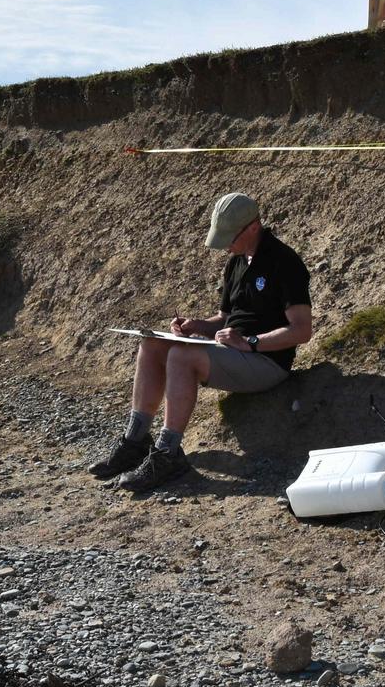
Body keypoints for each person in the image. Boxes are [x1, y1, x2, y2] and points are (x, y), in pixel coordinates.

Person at [91, 192, 313, 492]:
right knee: (153, 343)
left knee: (182, 357)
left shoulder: (284, 262)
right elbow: (225, 318)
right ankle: (136, 440)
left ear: (253, 227)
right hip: (235, 352)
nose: (225, 246)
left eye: (229, 237)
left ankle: (168, 454)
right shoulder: (237, 261)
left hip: (267, 362)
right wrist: (197, 326)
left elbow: (301, 330)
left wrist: (250, 342)